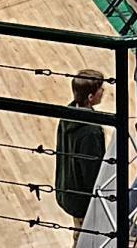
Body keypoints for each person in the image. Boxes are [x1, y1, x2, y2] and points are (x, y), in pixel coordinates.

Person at [54, 71, 108, 228]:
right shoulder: (91, 131)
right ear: (90, 97)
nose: (103, 91)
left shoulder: (67, 115)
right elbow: (92, 172)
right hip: (83, 202)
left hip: (69, 190)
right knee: (84, 239)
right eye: (100, 89)